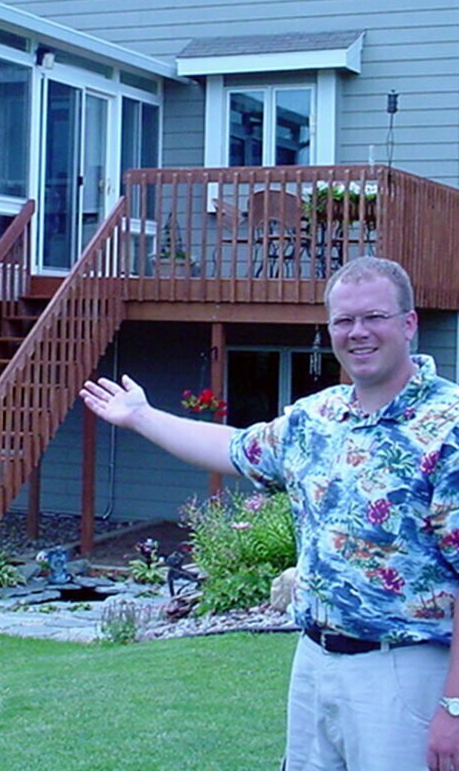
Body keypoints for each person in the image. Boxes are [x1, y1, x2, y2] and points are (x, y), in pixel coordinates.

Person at [80, 256, 459, 771]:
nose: (358, 332)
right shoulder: (316, 419)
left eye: (374, 317)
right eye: (344, 321)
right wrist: (144, 418)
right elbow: (233, 448)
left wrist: (453, 707)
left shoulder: (448, 427)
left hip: (406, 669)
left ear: (409, 324)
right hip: (315, 661)